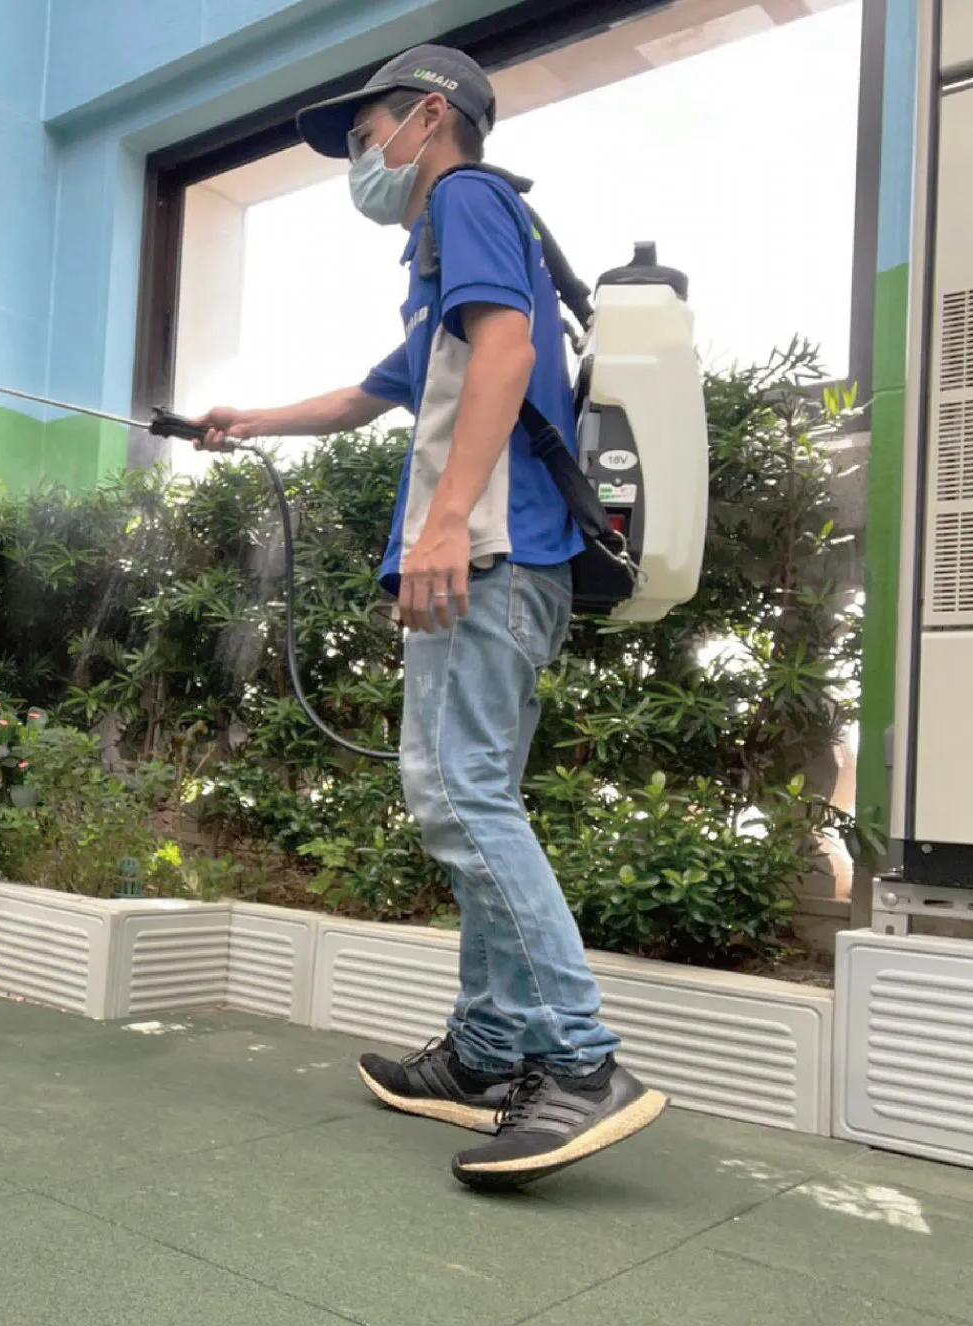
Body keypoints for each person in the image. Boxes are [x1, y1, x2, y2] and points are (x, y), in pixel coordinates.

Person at [193, 43, 666, 1190]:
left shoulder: (467, 200)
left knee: (459, 797)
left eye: (365, 136)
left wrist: (445, 523)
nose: (359, 159)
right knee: (472, 792)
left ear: (430, 118)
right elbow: (373, 395)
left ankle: (579, 1061)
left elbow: (508, 349)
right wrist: (246, 419)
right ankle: (489, 1050)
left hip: (489, 554)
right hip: (505, 558)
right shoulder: (443, 254)